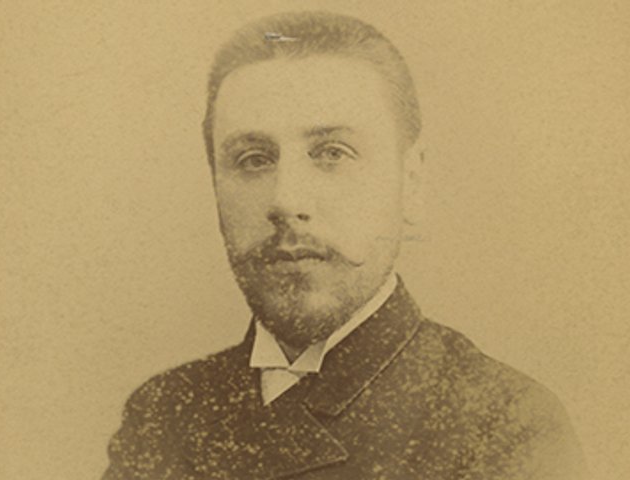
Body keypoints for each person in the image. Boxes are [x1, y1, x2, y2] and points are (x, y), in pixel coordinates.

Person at [103, 11, 586, 479]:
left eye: (332, 153)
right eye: (253, 159)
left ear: (411, 182)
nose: (285, 200)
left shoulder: (502, 425)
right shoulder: (163, 413)